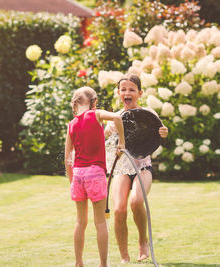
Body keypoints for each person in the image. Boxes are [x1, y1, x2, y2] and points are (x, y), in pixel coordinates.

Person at [104, 74, 169, 263]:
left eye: (131, 89)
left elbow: (159, 132)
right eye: (123, 89)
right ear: (118, 93)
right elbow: (105, 139)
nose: (127, 93)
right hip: (122, 168)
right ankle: (124, 255)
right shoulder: (115, 117)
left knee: (136, 201)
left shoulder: (148, 114)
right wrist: (104, 133)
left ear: (139, 93)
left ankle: (143, 241)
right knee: (119, 210)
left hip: (143, 166)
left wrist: (164, 132)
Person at [65, 86, 126, 267]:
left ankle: (78, 263)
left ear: (75, 105)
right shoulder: (96, 114)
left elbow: (68, 159)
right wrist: (121, 142)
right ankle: (103, 264)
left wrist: (71, 182)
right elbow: (117, 117)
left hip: (78, 176)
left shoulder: (71, 124)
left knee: (80, 222)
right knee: (100, 222)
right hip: (95, 174)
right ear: (94, 102)